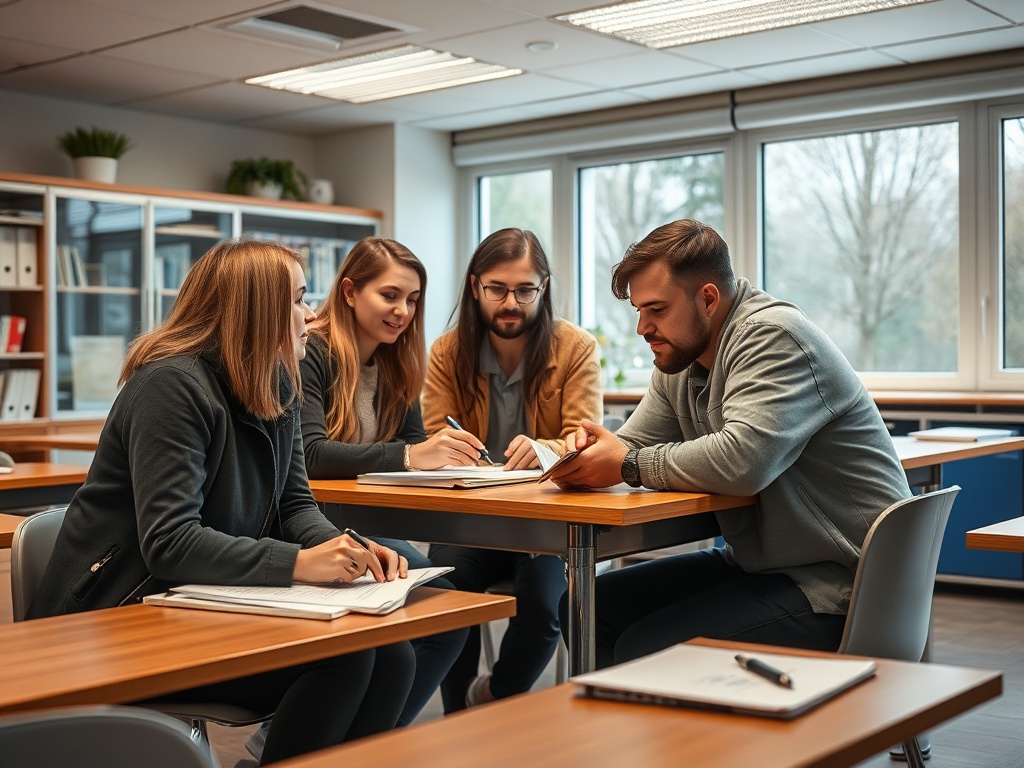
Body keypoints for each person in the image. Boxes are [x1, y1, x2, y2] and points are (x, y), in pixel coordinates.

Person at [26, 238, 416, 766]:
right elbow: (170, 542)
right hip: (114, 620)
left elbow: (294, 506)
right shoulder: (171, 385)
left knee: (393, 656)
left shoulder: (278, 380)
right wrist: (301, 563)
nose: (309, 316)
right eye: (299, 301)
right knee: (341, 663)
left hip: (198, 602)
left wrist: (348, 549)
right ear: (257, 311)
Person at [548, 219, 912, 668]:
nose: (643, 327)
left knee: (646, 647)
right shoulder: (679, 358)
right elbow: (631, 444)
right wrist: (589, 452)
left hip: (839, 584)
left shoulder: (773, 335)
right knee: (588, 607)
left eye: (657, 310)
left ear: (708, 298)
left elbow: (744, 462)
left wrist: (627, 463)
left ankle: (676, 734)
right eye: (639, 311)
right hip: (763, 567)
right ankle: (634, 735)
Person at [294, 237, 475, 728]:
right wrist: (415, 454)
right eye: (390, 295)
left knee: (449, 615)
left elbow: (415, 448)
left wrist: (457, 461)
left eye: (413, 300)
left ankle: (375, 738)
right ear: (350, 292)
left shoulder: (396, 362)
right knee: (429, 622)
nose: (403, 311)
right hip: (309, 524)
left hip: (365, 522)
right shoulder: (313, 352)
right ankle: (353, 737)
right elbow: (309, 455)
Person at [422, 227, 602, 710]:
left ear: (543, 287)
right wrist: (447, 448)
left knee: (546, 607)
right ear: (475, 286)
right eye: (498, 289)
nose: (512, 303)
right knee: (447, 600)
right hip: (470, 519)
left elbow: (584, 438)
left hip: (543, 521)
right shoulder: (447, 352)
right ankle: (457, 715)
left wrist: (544, 448)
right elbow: (435, 437)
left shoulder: (576, 348)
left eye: (526, 290)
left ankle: (494, 696)